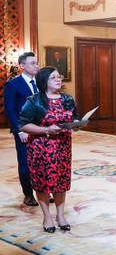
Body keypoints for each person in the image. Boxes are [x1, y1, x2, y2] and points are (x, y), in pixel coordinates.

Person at [19, 67, 81, 232]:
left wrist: (77, 125)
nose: (58, 80)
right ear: (44, 81)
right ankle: (47, 217)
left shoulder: (67, 99)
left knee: (61, 181)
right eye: (53, 77)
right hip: (41, 148)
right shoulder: (34, 100)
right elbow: (24, 124)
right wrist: (46, 130)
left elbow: (74, 118)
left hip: (63, 147)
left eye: (59, 77)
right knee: (43, 183)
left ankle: (60, 215)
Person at [4, 52, 40, 206]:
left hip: (41, 129)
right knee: (25, 163)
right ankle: (28, 194)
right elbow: (10, 109)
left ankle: (43, 192)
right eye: (32, 63)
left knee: (42, 162)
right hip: (23, 130)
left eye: (37, 63)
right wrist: (19, 130)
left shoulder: (40, 83)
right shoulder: (13, 84)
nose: (36, 66)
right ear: (22, 66)